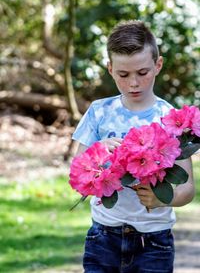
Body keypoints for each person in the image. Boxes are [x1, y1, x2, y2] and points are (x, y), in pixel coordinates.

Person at [71, 20, 195, 273]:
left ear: (158, 65)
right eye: (123, 75)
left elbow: (187, 188)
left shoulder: (172, 119)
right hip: (103, 238)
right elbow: (76, 173)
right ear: (110, 69)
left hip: (154, 242)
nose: (134, 83)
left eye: (143, 72)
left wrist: (163, 198)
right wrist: (99, 150)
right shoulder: (99, 112)